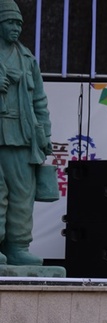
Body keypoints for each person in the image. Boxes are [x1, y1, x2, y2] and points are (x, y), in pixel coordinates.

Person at [0, 0, 53, 265]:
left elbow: (39, 101)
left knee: (22, 194)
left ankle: (18, 247)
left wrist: (45, 135)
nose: (16, 28)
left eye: (19, 23)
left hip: (22, 135)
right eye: (10, 22)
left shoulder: (27, 58)